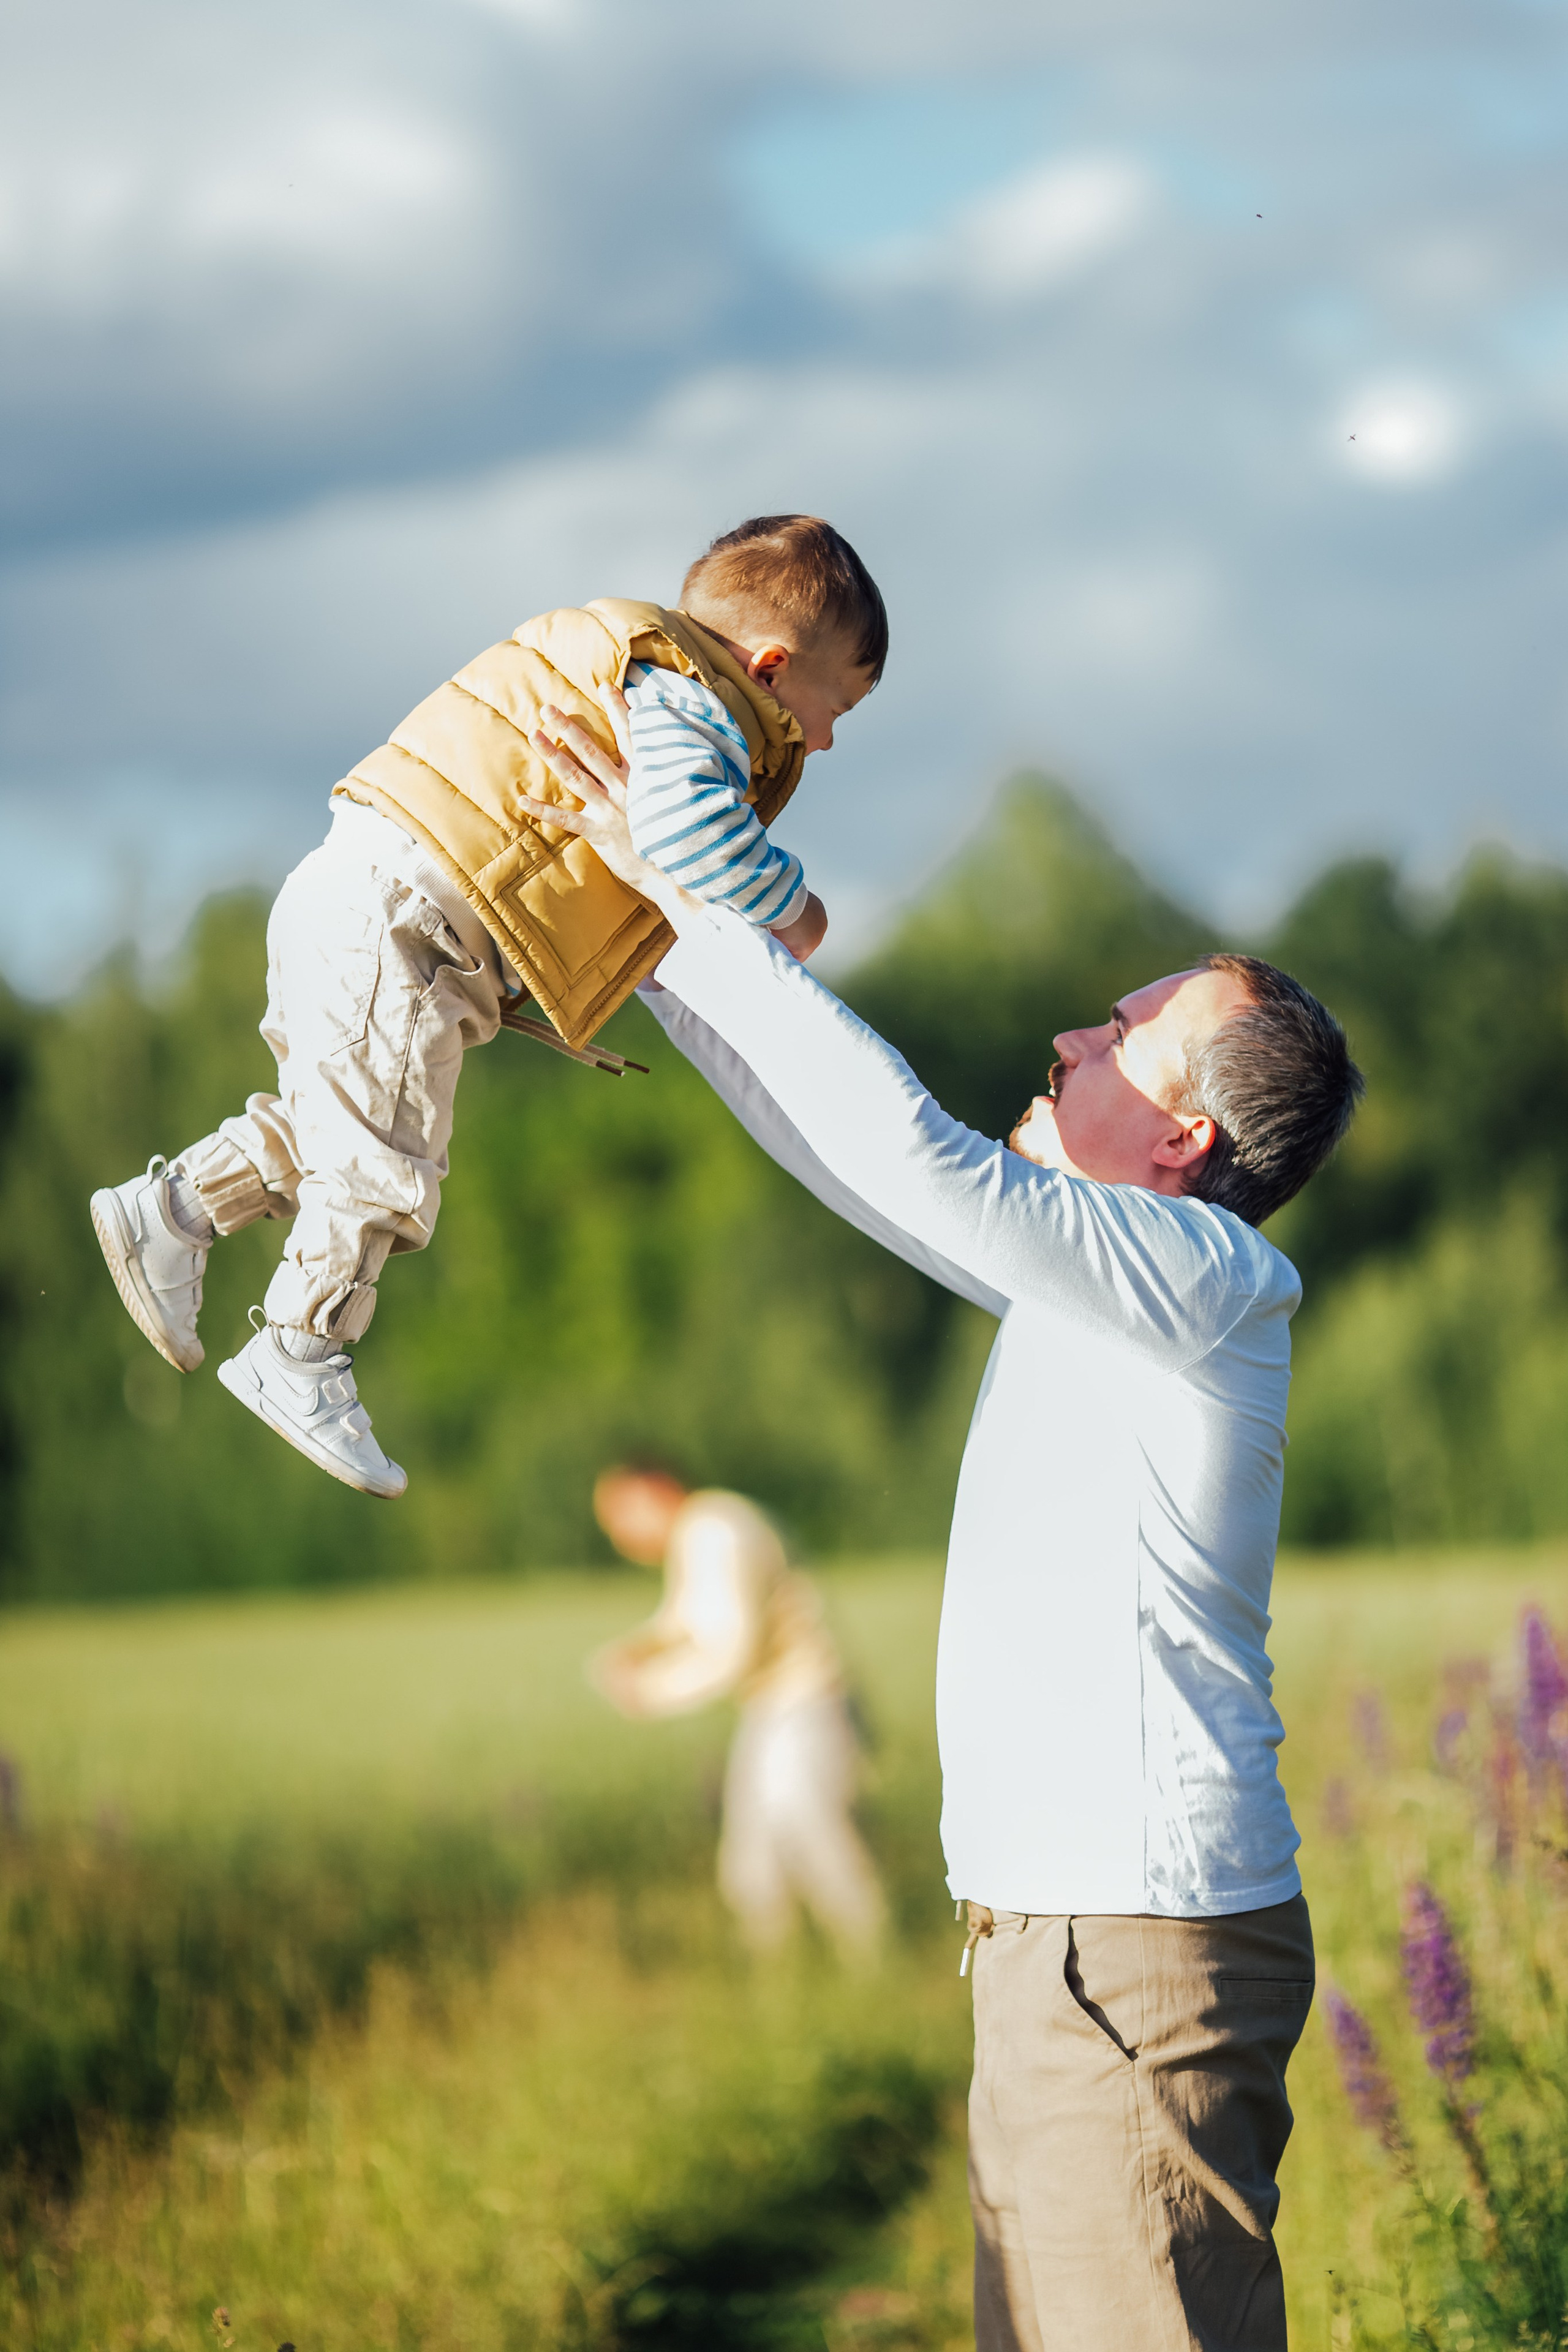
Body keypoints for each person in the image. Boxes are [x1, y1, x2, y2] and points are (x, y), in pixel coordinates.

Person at [520, 714, 1365, 2352]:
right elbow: (868, 1173)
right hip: (1071, 1955)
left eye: (1123, 1037)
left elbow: (911, 1156)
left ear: (1184, 1142)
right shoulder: (1107, 1282)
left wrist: (666, 872)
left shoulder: (1200, 1282)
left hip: (1126, 1962)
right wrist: (638, 953)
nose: (1069, 1036)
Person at [88, 516, 885, 1501]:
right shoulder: (697, 704)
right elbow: (686, 833)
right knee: (386, 1162)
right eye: (837, 704)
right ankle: (300, 1349)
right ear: (769, 668)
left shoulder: (631, 666)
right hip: (415, 924)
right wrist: (797, 911)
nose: (834, 736)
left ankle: (169, 1212)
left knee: (340, 1128)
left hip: (365, 892)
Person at [589, 1461, 884, 1956]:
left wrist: (649, 1692)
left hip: (806, 1705)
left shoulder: (714, 1531)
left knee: (818, 1848)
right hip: (774, 1710)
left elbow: (730, 1653)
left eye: (621, 1516)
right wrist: (636, 1650)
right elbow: (686, 1620)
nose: (620, 1538)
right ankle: (789, 1987)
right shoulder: (704, 1530)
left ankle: (870, 1973)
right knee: (754, 1868)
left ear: (656, 1487)